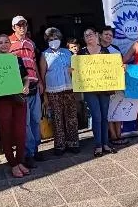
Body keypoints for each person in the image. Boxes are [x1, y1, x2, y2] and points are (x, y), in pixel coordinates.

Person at [0, 34, 31, 178]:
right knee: (6, 132)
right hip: (2, 101)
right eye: (0, 43)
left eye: (6, 42)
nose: (3, 45)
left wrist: (26, 87)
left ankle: (20, 160)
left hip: (18, 99)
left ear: (10, 44)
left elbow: (26, 78)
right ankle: (13, 164)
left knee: (21, 132)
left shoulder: (17, 59)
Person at [9, 15, 43, 168]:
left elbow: (34, 63)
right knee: (26, 123)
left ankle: (35, 149)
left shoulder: (30, 43)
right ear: (14, 28)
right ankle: (29, 154)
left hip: (34, 85)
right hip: (21, 88)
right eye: (19, 25)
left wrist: (40, 80)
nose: (22, 27)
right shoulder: (8, 43)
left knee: (36, 119)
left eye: (24, 24)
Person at [79, 27, 119, 157]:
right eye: (86, 35)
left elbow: (113, 68)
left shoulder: (105, 51)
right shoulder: (81, 52)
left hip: (105, 88)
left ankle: (105, 143)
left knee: (104, 116)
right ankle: (98, 145)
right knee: (96, 116)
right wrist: (72, 70)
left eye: (90, 34)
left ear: (96, 35)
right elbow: (77, 69)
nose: (89, 36)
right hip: (90, 89)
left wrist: (120, 68)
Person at [39, 27, 79, 155]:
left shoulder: (67, 53)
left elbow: (76, 70)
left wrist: (73, 71)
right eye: (51, 39)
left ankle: (73, 143)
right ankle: (60, 145)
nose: (53, 41)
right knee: (57, 118)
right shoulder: (44, 55)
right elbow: (43, 75)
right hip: (53, 91)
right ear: (47, 40)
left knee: (71, 116)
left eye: (55, 38)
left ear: (60, 39)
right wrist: (44, 95)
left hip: (69, 89)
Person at [100, 26, 124, 144]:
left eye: (110, 35)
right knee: (108, 111)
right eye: (106, 34)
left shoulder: (116, 49)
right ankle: (113, 135)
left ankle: (119, 135)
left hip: (115, 85)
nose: (108, 37)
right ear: (100, 35)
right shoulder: (96, 49)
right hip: (101, 86)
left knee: (117, 109)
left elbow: (121, 66)